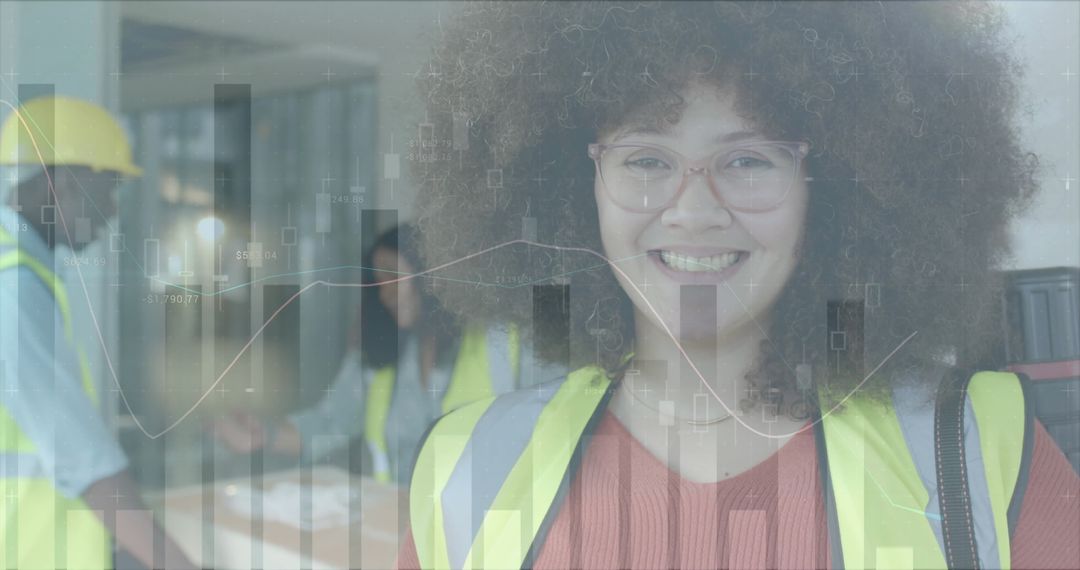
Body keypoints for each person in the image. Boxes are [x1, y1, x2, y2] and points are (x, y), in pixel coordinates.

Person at [398, 2, 1080, 569]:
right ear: (579, 191)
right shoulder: (466, 465)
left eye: (749, 160)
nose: (693, 211)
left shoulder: (982, 446)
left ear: (830, 193)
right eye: (645, 159)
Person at [0, 96, 197, 569]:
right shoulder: (13, 285)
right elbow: (84, 459)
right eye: (107, 190)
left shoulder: (24, 271)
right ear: (62, 183)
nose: (111, 211)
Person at [213, 224, 558, 486]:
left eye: (394, 277)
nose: (386, 294)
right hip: (401, 534)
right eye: (378, 284)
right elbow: (330, 422)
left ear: (430, 276)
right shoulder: (379, 357)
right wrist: (266, 436)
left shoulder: (504, 341)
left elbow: (557, 432)